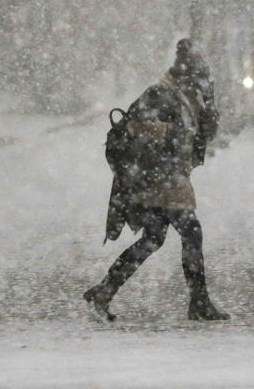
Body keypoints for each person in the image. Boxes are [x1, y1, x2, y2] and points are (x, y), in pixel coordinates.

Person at [84, 38, 229, 321]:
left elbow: (207, 134)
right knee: (191, 233)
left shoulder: (186, 97)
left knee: (153, 238)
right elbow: (140, 134)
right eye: (200, 78)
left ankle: (105, 290)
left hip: (168, 179)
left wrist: (209, 101)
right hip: (160, 180)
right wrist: (166, 152)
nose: (201, 84)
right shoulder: (161, 94)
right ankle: (199, 303)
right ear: (186, 73)